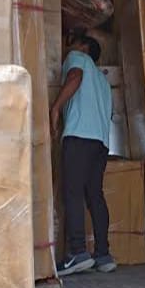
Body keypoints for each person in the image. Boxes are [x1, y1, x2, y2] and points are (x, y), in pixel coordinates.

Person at [50, 34, 116, 275]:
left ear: (84, 48)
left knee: (73, 193)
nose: (69, 46)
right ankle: (103, 254)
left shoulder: (77, 58)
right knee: (95, 196)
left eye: (74, 42)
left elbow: (75, 76)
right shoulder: (103, 80)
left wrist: (56, 107)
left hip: (79, 136)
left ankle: (77, 252)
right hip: (100, 142)